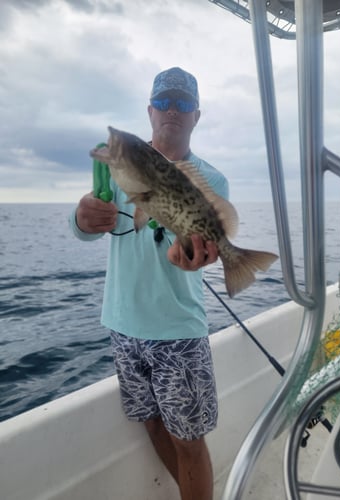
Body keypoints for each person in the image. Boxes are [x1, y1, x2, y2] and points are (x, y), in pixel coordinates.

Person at [70, 67, 229, 500]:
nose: (171, 111)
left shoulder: (211, 180)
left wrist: (195, 259)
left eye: (182, 104)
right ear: (150, 110)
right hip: (122, 325)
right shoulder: (122, 165)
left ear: (196, 115)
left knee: (188, 440)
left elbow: (200, 253)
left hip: (177, 330)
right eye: (163, 102)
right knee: (152, 422)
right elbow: (90, 221)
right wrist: (82, 218)